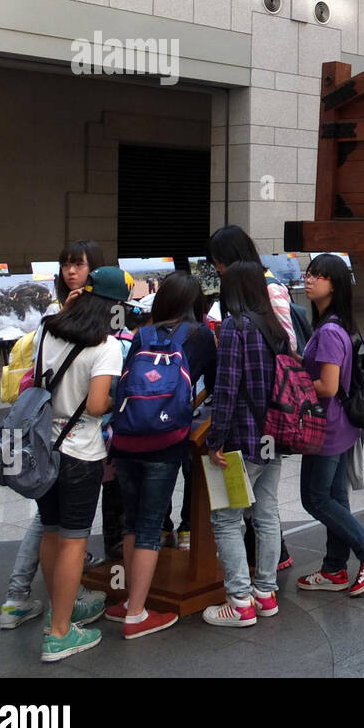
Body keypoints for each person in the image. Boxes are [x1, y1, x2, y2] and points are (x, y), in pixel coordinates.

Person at [0, 239, 108, 632]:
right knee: (62, 531)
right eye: (65, 265)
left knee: (49, 526)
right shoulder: (63, 323)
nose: (70, 272)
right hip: (68, 442)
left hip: (50, 438)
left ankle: (42, 601)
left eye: (78, 265)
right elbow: (96, 402)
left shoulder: (60, 323)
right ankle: (56, 616)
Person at [105, 271, 217, 639]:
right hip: (165, 442)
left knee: (133, 522)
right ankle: (136, 613)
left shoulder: (142, 335)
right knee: (152, 524)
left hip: (126, 439)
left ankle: (127, 599)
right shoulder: (200, 336)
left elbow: (125, 384)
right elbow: (215, 387)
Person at [34, 266, 128, 662]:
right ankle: (59, 634)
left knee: (50, 532)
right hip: (80, 454)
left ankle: (63, 610)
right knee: (74, 542)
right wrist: (114, 401)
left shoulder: (46, 329)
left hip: (43, 448)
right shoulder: (106, 346)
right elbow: (94, 406)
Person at [296, 254, 364, 596]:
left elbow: (328, 386)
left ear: (334, 285)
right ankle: (334, 569)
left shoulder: (330, 331)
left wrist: (293, 388)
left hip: (327, 426)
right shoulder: (332, 325)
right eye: (308, 274)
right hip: (340, 425)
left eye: (318, 276)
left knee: (315, 499)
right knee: (335, 497)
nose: (309, 280)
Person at [201, 262, 284, 627]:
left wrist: (214, 440)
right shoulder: (274, 325)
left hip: (241, 440)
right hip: (273, 435)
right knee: (266, 514)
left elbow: (227, 387)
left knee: (226, 519)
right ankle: (265, 594)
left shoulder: (237, 326)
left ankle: (239, 602)